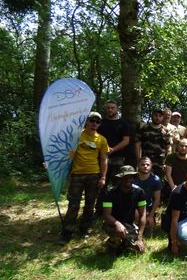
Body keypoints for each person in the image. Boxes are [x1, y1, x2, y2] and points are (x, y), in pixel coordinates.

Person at [60, 111, 109, 244]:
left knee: (89, 204)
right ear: (86, 121)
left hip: (94, 175)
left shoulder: (102, 140)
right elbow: (66, 154)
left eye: (97, 122)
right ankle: (67, 232)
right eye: (92, 120)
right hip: (76, 175)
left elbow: (104, 160)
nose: (94, 124)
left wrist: (103, 177)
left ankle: (84, 229)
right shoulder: (76, 135)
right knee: (73, 204)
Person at [102, 165, 146, 254]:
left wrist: (139, 238)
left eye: (131, 177)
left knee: (139, 250)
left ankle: (125, 242)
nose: (128, 180)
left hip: (129, 225)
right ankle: (112, 242)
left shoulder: (139, 192)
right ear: (120, 178)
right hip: (112, 224)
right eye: (125, 177)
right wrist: (117, 224)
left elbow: (142, 215)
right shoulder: (110, 192)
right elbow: (106, 215)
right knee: (114, 250)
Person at [97, 100, 130, 186]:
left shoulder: (123, 123)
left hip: (118, 158)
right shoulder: (100, 123)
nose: (110, 110)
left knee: (118, 184)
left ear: (117, 109)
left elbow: (126, 140)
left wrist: (113, 149)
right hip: (101, 157)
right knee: (101, 184)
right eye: (108, 108)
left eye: (112, 108)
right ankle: (101, 199)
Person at [135, 108, 171, 178]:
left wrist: (166, 163)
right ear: (152, 116)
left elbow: (168, 148)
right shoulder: (143, 128)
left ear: (162, 117)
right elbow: (137, 145)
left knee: (158, 182)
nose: (157, 117)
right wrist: (138, 160)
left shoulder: (166, 131)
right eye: (155, 115)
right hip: (145, 161)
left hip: (160, 162)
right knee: (144, 180)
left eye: (160, 116)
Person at [133, 157, 162, 230]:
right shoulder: (133, 178)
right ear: (138, 166)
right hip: (134, 207)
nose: (145, 166)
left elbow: (157, 199)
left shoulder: (156, 179)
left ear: (151, 166)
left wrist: (151, 215)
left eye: (147, 164)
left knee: (150, 229)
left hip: (148, 208)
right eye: (143, 164)